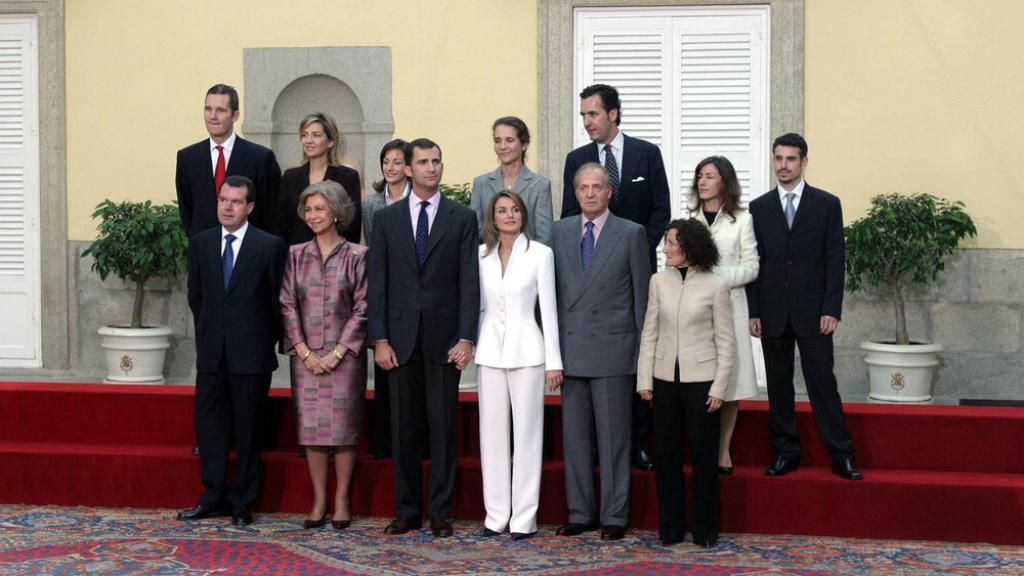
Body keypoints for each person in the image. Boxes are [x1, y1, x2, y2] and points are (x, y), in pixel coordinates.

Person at [367, 138, 480, 538]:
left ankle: (440, 512)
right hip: (397, 341)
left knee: (443, 429)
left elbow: (470, 281)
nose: (432, 168)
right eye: (424, 162)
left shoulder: (462, 218)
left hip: (445, 341)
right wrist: (378, 338)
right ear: (409, 169)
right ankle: (406, 510)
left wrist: (467, 337)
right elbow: (376, 283)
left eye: (437, 161)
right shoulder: (386, 219)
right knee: (403, 430)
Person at [561, 84, 670, 471]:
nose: (587, 122)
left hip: (635, 273)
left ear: (614, 114)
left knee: (636, 356)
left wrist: (636, 254)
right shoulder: (576, 159)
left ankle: (640, 442)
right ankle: (592, 447)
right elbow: (568, 220)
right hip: (591, 286)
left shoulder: (647, 154)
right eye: (583, 116)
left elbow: (660, 212)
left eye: (593, 114)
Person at [746, 133, 863, 481]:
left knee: (822, 383)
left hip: (815, 313)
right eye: (778, 159)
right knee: (779, 386)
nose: (783, 165)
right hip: (772, 312)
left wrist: (832, 308)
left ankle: (841, 454)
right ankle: (786, 452)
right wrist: (754, 311)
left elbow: (834, 259)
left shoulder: (827, 204)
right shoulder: (759, 207)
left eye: (791, 159)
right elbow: (756, 263)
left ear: (804, 162)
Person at [177, 175, 287, 526]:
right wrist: (211, 334)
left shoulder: (269, 246)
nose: (227, 206)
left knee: (250, 428)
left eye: (236, 201)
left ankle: (242, 501)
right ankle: (212, 496)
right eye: (223, 199)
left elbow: (276, 303)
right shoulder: (201, 243)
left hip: (251, 354)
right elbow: (197, 298)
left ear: (250, 207)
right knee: (209, 427)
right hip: (212, 353)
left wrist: (258, 339)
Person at [550, 163, 651, 542]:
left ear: (610, 192)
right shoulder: (558, 233)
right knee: (574, 439)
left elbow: (642, 300)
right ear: (574, 193)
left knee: (614, 440)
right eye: (582, 188)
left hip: (615, 351)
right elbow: (550, 295)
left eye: (597, 187)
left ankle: (614, 515)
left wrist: (643, 358)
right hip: (571, 351)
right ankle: (580, 512)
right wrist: (550, 352)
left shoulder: (631, 233)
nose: (590, 194)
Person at [637, 218, 736, 547]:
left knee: (705, 459)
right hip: (664, 382)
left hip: (703, 384)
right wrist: (644, 380)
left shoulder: (716, 285)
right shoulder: (657, 282)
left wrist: (720, 388)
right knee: (666, 457)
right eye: (665, 242)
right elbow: (649, 334)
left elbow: (726, 343)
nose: (665, 248)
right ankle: (671, 529)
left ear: (688, 247)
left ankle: (706, 530)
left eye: (670, 243)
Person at [279, 180, 367, 531]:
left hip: (344, 359)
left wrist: (338, 352)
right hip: (305, 359)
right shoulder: (295, 255)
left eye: (320, 208)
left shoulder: (358, 255)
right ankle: (319, 500)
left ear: (337, 212)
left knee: (343, 431)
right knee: (312, 431)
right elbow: (287, 304)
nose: (313, 215)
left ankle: (342, 500)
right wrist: (302, 350)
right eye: (309, 209)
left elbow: (364, 307)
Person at [475, 190, 562, 541]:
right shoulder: (481, 256)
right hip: (489, 353)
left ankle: (523, 518)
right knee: (491, 436)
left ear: (523, 215)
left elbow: (550, 311)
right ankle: (495, 515)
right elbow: (478, 307)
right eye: (501, 210)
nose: (509, 215)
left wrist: (554, 361)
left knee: (527, 435)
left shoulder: (541, 254)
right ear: (492, 218)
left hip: (529, 352)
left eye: (514, 210)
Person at [687, 156, 760, 474]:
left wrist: (715, 276)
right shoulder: (688, 219)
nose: (703, 182)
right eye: (699, 176)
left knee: (729, 382)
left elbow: (752, 266)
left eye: (710, 176)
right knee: (699, 378)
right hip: (694, 311)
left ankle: (723, 449)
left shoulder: (742, 219)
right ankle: (699, 445)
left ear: (724, 181)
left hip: (730, 307)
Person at [176, 84, 281, 237]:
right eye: (208, 109)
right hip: (204, 251)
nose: (212, 116)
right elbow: (187, 210)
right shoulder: (188, 158)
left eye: (220, 110)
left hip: (250, 250)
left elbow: (271, 212)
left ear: (235, 116)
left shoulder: (261, 158)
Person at [361, 138, 410, 460]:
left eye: (396, 162)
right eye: (386, 162)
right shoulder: (371, 204)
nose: (390, 168)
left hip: (413, 292)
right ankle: (385, 443)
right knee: (385, 372)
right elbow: (371, 249)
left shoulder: (421, 199)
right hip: (384, 290)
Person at [274, 113, 362, 245]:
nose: (308, 140)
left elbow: (352, 227)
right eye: (304, 135)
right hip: (296, 259)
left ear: (331, 141)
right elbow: (280, 226)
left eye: (316, 135)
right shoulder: (290, 177)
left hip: (337, 260)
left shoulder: (348, 177)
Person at [470, 117, 553, 244]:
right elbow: (475, 232)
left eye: (509, 140)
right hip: (489, 259)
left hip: (528, 260)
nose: (502, 146)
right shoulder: (481, 184)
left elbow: (544, 237)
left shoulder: (540, 185)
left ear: (524, 144)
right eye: (497, 141)